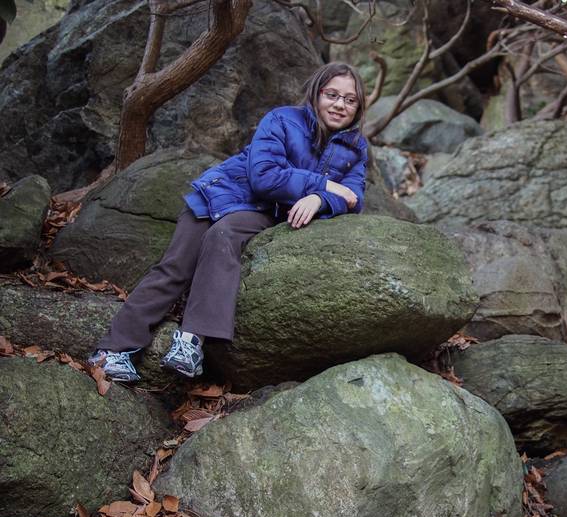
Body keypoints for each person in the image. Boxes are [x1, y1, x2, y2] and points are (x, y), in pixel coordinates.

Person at [89, 62, 369, 381]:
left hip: (262, 211)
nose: (339, 104)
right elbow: (263, 177)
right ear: (317, 94)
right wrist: (322, 184)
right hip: (222, 194)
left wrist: (319, 198)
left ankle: (190, 341)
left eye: (349, 100)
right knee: (175, 267)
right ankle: (112, 350)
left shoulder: (355, 147)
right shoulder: (282, 120)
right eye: (331, 94)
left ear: (358, 107)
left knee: (224, 236)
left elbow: (353, 198)